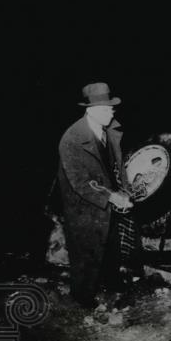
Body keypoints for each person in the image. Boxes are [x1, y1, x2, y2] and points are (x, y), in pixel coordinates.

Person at [57, 82, 134, 307]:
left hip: (107, 203)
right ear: (92, 110)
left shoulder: (109, 131)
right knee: (86, 256)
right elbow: (79, 183)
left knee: (111, 248)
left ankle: (113, 290)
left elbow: (117, 167)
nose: (112, 110)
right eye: (107, 107)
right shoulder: (71, 139)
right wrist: (112, 197)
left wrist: (125, 192)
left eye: (111, 107)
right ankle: (83, 306)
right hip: (83, 208)